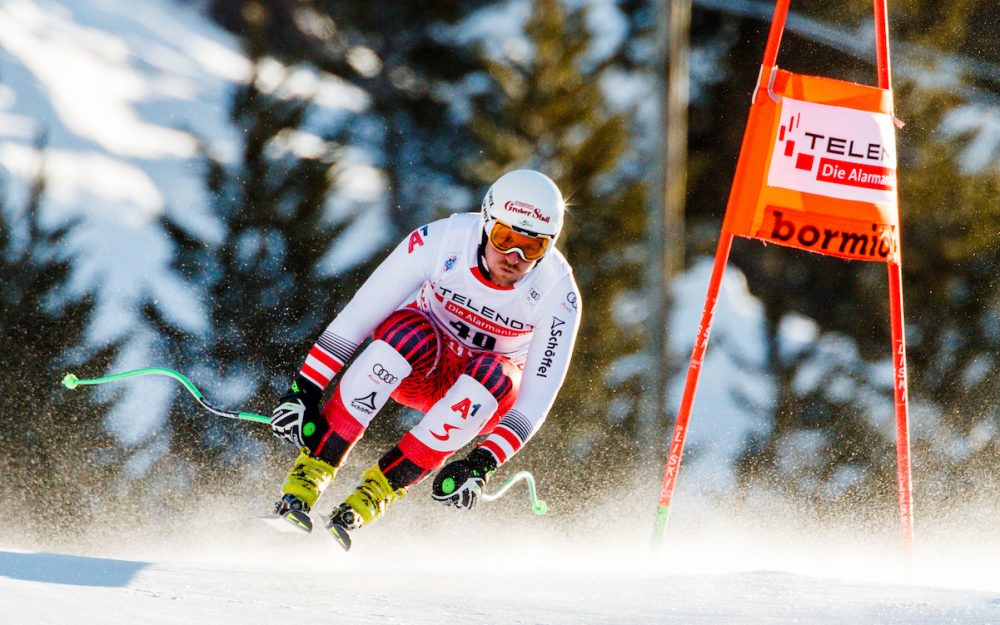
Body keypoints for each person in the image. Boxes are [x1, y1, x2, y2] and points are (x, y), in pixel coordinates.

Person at [268, 169, 582, 550]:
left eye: (532, 248)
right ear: (486, 223)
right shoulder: (442, 240)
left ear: (548, 247)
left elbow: (535, 402)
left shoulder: (557, 293)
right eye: (505, 238)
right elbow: (357, 319)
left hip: (482, 397)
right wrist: (305, 389)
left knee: (494, 373)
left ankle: (373, 495)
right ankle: (308, 477)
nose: (514, 257)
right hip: (419, 366)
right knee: (405, 331)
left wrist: (481, 463)